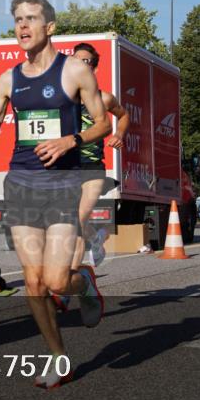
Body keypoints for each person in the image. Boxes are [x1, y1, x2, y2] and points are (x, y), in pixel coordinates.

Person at [0, 0, 110, 389]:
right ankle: (59, 358)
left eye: (31, 19)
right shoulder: (8, 79)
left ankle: (85, 284)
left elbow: (103, 124)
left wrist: (70, 141)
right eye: (18, 20)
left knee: (58, 282)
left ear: (50, 28)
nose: (23, 27)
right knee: (33, 283)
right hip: (22, 184)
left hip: (62, 184)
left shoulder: (75, 71)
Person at [70, 42, 129, 269]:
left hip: (92, 167)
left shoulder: (104, 98)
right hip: (68, 166)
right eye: (76, 60)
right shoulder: (63, 100)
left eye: (85, 61)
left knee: (77, 220)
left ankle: (71, 275)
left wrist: (119, 134)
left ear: (93, 68)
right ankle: (96, 237)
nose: (80, 64)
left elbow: (123, 116)